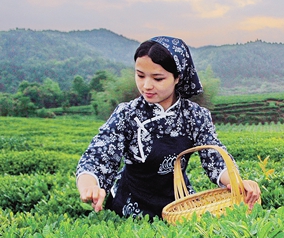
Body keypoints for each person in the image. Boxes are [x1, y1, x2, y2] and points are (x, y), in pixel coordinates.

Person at [76, 36, 261, 218]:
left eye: (158, 78)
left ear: (177, 78)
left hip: (179, 205)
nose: (146, 85)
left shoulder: (195, 115)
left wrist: (237, 182)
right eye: (140, 75)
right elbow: (98, 155)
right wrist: (90, 185)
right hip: (129, 206)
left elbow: (215, 157)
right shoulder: (127, 114)